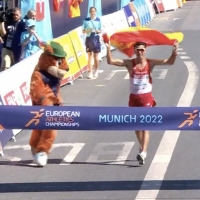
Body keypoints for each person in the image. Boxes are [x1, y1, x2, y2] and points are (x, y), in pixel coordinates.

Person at [105, 40, 178, 165]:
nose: (140, 52)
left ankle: (143, 152)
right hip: (134, 98)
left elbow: (169, 62)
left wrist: (174, 52)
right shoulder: (129, 63)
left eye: (142, 50)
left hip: (146, 98)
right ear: (134, 51)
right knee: (136, 126)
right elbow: (111, 61)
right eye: (137, 50)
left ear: (145, 50)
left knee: (145, 126)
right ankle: (141, 145)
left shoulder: (150, 62)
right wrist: (107, 48)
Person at [82, 6, 102, 79]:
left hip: (96, 38)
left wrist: (97, 31)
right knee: (89, 55)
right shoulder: (86, 20)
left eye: (94, 11)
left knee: (96, 56)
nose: (93, 13)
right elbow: (83, 31)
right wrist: (89, 30)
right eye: (91, 11)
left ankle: (96, 70)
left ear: (95, 12)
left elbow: (101, 30)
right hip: (89, 38)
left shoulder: (98, 20)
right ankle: (90, 72)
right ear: (89, 12)